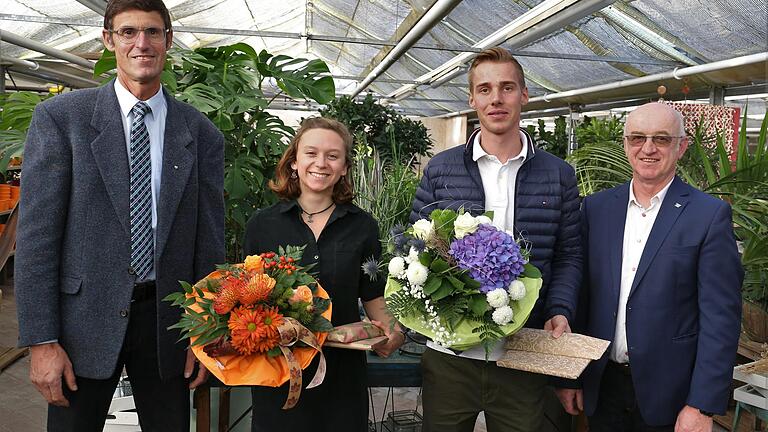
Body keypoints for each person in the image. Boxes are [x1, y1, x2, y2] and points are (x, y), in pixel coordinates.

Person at [14, 0, 225, 430]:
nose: (141, 43)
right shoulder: (62, 120)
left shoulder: (200, 133)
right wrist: (42, 341)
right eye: (128, 32)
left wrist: (205, 332)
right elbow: (36, 239)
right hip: (80, 326)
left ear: (168, 40)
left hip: (168, 326)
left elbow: (209, 243)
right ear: (109, 40)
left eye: (152, 32)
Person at [410, 47, 581, 432]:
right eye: (485, 89)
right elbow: (416, 250)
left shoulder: (557, 175)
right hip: (451, 351)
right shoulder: (442, 169)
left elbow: (570, 254)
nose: (496, 99)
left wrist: (561, 309)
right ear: (472, 98)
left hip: (525, 351)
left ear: (524, 94)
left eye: (507, 87)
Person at [555, 102, 743, 432]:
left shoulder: (707, 216)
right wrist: (572, 375)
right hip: (605, 386)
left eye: (662, 139)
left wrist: (702, 404)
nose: (648, 148)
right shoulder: (596, 209)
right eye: (637, 137)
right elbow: (583, 298)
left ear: (681, 147)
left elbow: (721, 319)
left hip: (671, 395)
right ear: (625, 144)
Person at [243, 117, 404, 432]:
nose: (321, 163)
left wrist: (394, 332)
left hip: (342, 374)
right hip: (280, 368)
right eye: (311, 153)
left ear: (344, 167)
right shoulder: (262, 225)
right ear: (294, 162)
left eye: (333, 156)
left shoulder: (363, 226)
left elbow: (372, 295)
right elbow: (248, 296)